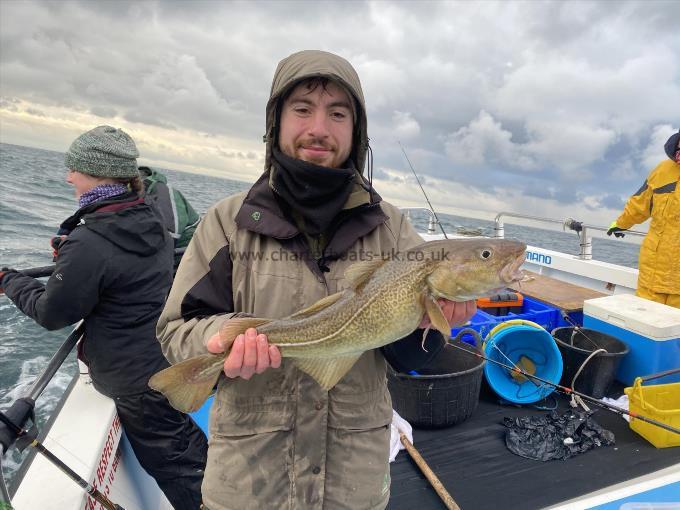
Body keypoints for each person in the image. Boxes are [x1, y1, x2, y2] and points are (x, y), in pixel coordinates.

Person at [156, 50, 476, 510]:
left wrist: (430, 324)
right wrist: (220, 340)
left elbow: (409, 360)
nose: (319, 129)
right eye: (302, 109)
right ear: (277, 121)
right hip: (249, 487)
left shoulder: (394, 228)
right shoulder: (228, 221)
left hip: (352, 488)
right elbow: (175, 331)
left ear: (356, 129)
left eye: (338, 114)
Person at [0, 126, 208, 508]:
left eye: (74, 169)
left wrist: (9, 280)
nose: (67, 177)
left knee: (179, 468)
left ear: (97, 172)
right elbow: (123, 271)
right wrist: (72, 257)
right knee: (185, 447)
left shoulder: (91, 241)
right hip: (163, 355)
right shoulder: (151, 218)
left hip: (132, 377)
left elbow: (51, 313)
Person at [607, 129, 680, 308]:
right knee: (646, 323)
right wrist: (621, 224)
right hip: (653, 272)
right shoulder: (662, 170)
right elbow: (639, 203)